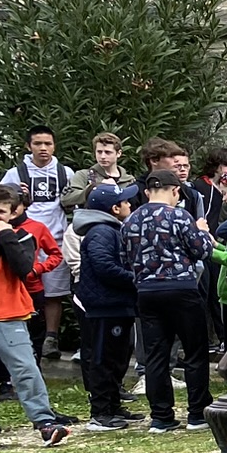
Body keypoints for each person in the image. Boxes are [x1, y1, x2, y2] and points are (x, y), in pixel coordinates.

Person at [0, 187, 69, 450]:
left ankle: (45, 422)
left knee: (25, 370)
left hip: (7, 316)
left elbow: (24, 267)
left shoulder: (21, 236)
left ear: (13, 213)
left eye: (1, 211)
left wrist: (4, 233)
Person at [122, 169, 216, 434]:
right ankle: (197, 413)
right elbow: (202, 251)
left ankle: (161, 416)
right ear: (175, 191)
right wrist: (202, 232)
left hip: (147, 291)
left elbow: (125, 257)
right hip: (181, 287)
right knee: (195, 351)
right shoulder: (180, 216)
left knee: (156, 355)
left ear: (147, 192)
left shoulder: (130, 220)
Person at [2, 125, 74, 359]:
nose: (43, 148)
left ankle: (50, 339)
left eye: (48, 144)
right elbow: (0, 201)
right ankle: (21, 338)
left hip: (55, 240)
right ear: (28, 146)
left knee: (54, 294)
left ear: (54, 146)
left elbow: (74, 201)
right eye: (38, 143)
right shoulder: (15, 173)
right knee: (21, 290)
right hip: (24, 241)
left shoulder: (65, 172)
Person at [72, 182, 138, 430]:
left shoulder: (110, 230)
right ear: (114, 208)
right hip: (105, 305)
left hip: (116, 304)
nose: (129, 204)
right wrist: (136, 278)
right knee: (104, 358)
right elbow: (105, 267)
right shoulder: (102, 232)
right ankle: (100, 412)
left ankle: (113, 406)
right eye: (125, 201)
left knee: (117, 357)